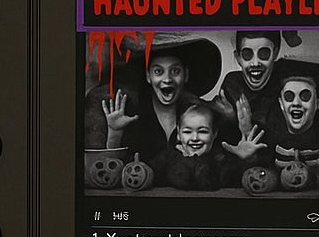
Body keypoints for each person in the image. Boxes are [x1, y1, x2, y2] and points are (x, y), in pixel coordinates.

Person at [90, 33, 222, 162]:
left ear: (185, 75)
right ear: (148, 76)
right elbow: (113, 170)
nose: (167, 79)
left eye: (175, 71)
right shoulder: (131, 115)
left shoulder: (203, 114)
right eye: (158, 72)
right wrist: (115, 134)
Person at [156, 102, 267, 191]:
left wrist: (246, 159)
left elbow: (242, 178)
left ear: (214, 134)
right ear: (178, 134)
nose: (195, 138)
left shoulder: (221, 159)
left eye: (203, 132)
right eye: (187, 132)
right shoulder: (168, 157)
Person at [214, 30, 285, 140]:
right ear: (238, 58)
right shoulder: (232, 83)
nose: (255, 63)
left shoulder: (285, 86)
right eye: (247, 55)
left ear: (275, 53)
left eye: (264, 54)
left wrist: (247, 128)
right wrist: (229, 119)